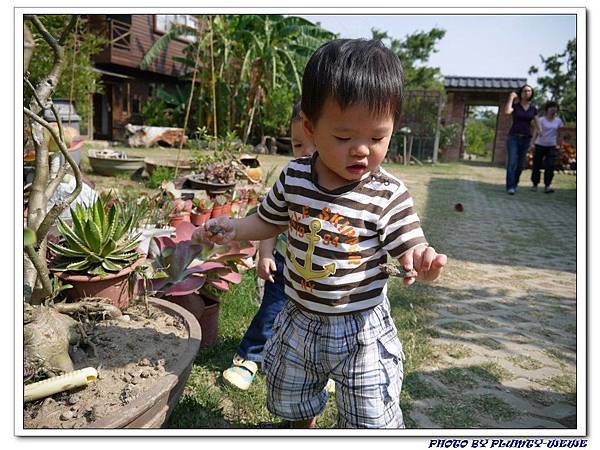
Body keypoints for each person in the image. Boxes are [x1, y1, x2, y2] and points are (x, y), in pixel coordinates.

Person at [194, 39, 447, 429]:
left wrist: (420, 258)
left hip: (360, 326)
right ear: (311, 128)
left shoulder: (386, 193)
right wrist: (236, 227)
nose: (361, 150)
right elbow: (270, 220)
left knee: (370, 416)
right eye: (344, 137)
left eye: (377, 138)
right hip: (299, 316)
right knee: (292, 396)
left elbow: (409, 240)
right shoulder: (295, 176)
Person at [221, 102, 321, 391]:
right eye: (297, 144)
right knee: (271, 311)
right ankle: (250, 356)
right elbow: (271, 221)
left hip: (321, 277)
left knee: (318, 324)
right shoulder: (292, 180)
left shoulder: (338, 186)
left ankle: (320, 368)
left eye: (313, 145)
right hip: (285, 265)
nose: (305, 152)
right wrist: (265, 254)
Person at [504, 84, 540, 195]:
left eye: (529, 91)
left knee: (520, 165)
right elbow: (507, 111)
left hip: (526, 139)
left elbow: (538, 126)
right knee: (512, 162)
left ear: (531, 93)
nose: (527, 93)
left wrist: (534, 140)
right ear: (521, 93)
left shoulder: (533, 109)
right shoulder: (516, 106)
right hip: (513, 137)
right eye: (525, 91)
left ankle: (514, 183)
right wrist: (511, 98)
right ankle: (510, 187)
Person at [530, 101, 563, 193]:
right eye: (551, 107)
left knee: (550, 165)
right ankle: (535, 184)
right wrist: (532, 143)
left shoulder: (558, 121)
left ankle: (547, 185)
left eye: (555, 107)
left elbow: (559, 134)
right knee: (537, 165)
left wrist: (560, 145)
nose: (553, 109)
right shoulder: (541, 120)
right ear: (547, 109)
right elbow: (535, 132)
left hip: (551, 146)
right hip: (539, 145)